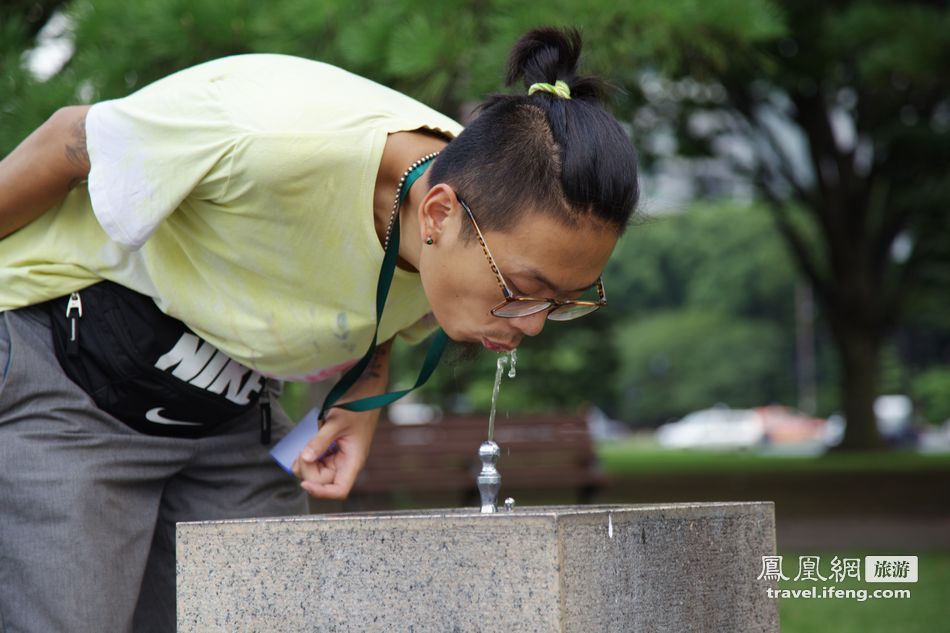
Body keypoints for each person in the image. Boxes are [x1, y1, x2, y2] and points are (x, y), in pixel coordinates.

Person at [0, 26, 639, 633]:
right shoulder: (269, 141)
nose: (530, 324)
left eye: (562, 302)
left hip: (230, 412)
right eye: (522, 291)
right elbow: (70, 141)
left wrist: (364, 395)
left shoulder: (471, 198)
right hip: (74, 377)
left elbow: (383, 288)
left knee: (266, 608)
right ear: (439, 213)